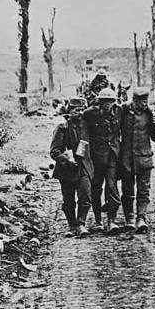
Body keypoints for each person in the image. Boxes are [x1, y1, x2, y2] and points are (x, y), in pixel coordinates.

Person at [119, 87, 155, 232]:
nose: (144, 104)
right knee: (127, 191)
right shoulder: (123, 112)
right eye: (141, 102)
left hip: (144, 158)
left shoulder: (150, 114)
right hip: (126, 159)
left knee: (143, 191)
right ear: (134, 100)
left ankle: (141, 218)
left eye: (145, 101)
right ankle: (129, 218)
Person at [49, 97, 92, 236]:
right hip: (66, 170)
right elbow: (54, 151)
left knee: (85, 195)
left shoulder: (87, 126)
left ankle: (81, 224)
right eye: (76, 110)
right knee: (68, 199)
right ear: (69, 112)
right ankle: (72, 225)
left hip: (84, 166)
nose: (80, 113)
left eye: (82, 110)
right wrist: (66, 159)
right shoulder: (62, 128)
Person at [82, 88, 122, 233]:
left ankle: (111, 220)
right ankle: (98, 220)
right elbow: (83, 136)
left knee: (112, 187)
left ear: (114, 102)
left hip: (112, 156)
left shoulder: (119, 112)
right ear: (99, 101)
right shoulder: (90, 114)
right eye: (104, 101)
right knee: (96, 188)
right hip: (95, 158)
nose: (107, 105)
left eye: (110, 101)